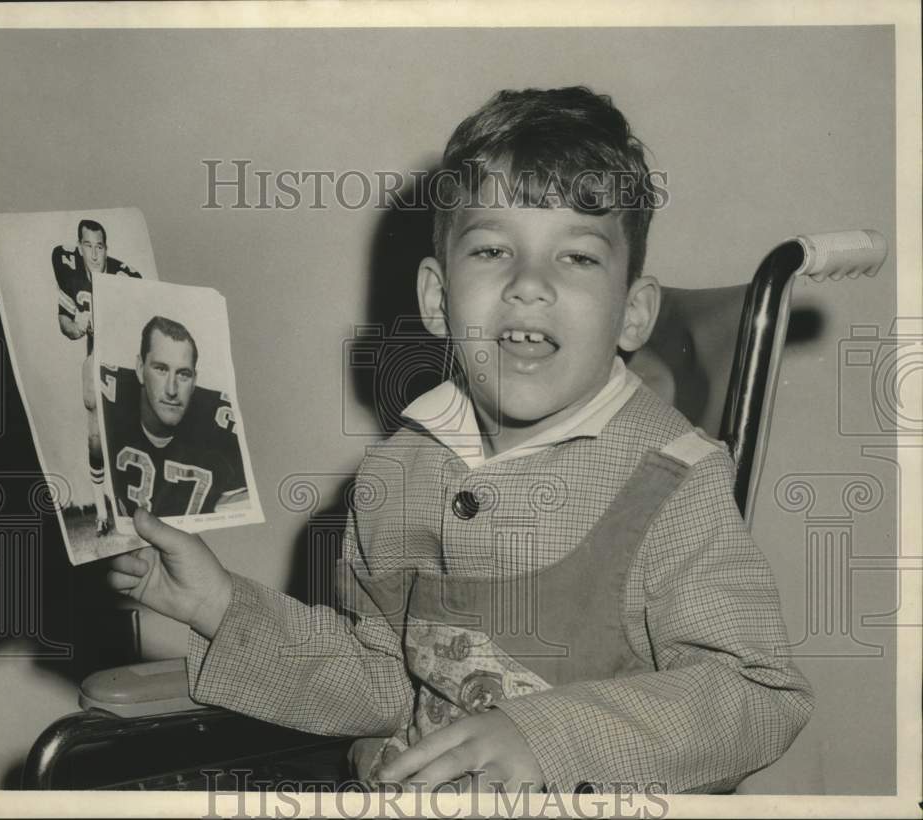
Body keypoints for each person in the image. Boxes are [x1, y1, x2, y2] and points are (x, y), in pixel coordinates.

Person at [106, 87, 814, 794]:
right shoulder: (396, 473)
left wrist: (545, 736)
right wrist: (220, 606)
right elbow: (380, 679)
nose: (529, 284)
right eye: (494, 249)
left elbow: (755, 696)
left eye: (577, 257)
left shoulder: (674, 480)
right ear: (439, 302)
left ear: (633, 314)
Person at [100, 316, 249, 518]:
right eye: (160, 369)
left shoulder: (224, 422)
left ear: (195, 380)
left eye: (183, 374)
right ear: (140, 368)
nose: (172, 389)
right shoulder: (108, 393)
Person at [53, 219, 141, 535]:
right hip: (96, 358)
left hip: (127, 360)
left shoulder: (124, 275)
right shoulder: (71, 275)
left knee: (131, 431)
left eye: (99, 246)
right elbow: (65, 322)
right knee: (95, 435)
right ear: (79, 247)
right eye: (88, 245)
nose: (94, 253)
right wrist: (79, 327)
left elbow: (143, 313)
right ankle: (101, 511)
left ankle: (133, 506)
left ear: (107, 248)